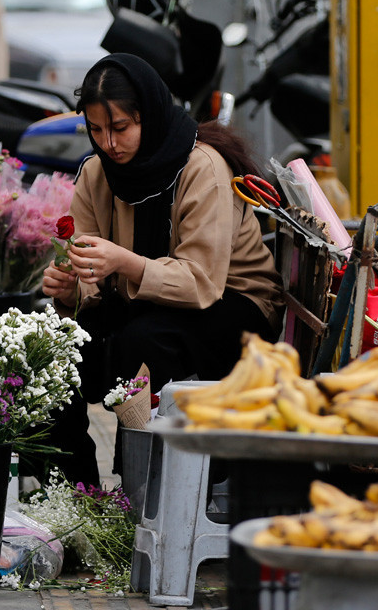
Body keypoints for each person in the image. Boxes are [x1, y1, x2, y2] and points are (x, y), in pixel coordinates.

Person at [40, 53, 286, 486]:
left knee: (143, 342)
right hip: (145, 301)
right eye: (96, 131)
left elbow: (201, 283)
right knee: (47, 357)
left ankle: (141, 486)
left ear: (148, 117)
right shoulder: (96, 174)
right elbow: (91, 282)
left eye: (120, 128)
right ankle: (75, 494)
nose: (109, 144)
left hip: (234, 306)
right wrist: (68, 287)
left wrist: (123, 261)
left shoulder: (202, 168)